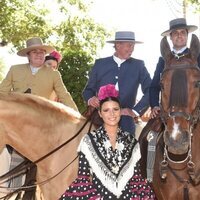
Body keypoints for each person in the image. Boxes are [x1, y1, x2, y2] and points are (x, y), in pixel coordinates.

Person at [0, 37, 78, 195]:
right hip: (19, 128)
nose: (39, 54)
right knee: (16, 166)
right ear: (28, 55)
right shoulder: (15, 69)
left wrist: (77, 118)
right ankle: (13, 193)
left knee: (41, 171)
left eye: (42, 52)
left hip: (43, 131)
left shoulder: (53, 74)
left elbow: (64, 95)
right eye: (35, 52)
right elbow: (2, 93)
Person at [60, 84, 155, 200]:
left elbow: (136, 179)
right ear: (100, 113)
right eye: (106, 110)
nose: (112, 114)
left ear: (120, 111)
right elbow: (83, 178)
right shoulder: (88, 141)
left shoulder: (132, 142)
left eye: (115, 109)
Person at [83, 31, 152, 135]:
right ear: (118, 45)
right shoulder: (100, 64)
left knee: (127, 146)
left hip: (125, 119)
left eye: (133, 46)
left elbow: (150, 90)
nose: (132, 49)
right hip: (99, 116)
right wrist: (91, 99)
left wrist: (135, 111)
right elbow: (88, 90)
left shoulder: (138, 66)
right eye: (129, 45)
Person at [150, 18, 200, 118]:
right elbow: (154, 86)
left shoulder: (198, 58)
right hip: (168, 112)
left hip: (194, 110)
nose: (179, 35)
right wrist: (154, 105)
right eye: (175, 33)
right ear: (170, 37)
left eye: (182, 32)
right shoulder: (162, 61)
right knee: (151, 132)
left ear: (187, 36)